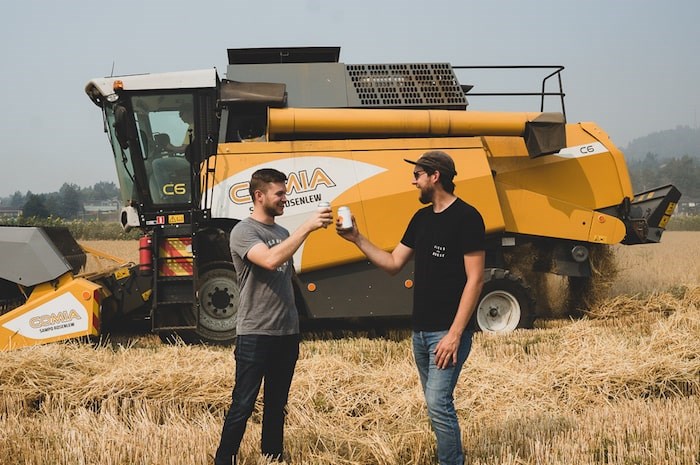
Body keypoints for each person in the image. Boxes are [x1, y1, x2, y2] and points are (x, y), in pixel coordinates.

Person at [336, 150, 485, 465]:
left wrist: (455, 334)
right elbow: (392, 264)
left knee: (437, 401)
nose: (413, 181)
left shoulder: (468, 217)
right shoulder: (421, 218)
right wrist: (356, 238)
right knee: (435, 405)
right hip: (420, 332)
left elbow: (475, 280)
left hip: (447, 332)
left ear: (435, 176)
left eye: (417, 175)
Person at [214, 168, 333, 465]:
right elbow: (269, 260)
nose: (285, 199)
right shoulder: (244, 231)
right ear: (259, 196)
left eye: (285, 192)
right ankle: (224, 458)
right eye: (279, 193)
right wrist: (306, 228)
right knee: (243, 403)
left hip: (286, 333)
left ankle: (272, 457)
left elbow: (285, 276)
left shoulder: (280, 233)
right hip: (255, 333)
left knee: (277, 405)